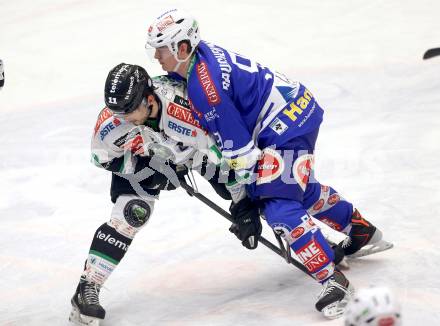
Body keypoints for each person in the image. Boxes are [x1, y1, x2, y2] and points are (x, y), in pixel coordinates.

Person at [145, 8, 392, 318]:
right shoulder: (197, 59)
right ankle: (360, 231)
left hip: (286, 127)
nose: (156, 56)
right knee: (296, 190)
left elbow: (242, 153)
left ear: (182, 48)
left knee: (279, 208)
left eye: (161, 48)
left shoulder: (204, 89)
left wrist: (248, 202)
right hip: (293, 113)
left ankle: (333, 280)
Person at [69, 63, 228, 326]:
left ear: (149, 98)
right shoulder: (111, 124)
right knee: (133, 213)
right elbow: (104, 159)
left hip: (197, 149)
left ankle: (299, 233)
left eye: (130, 110)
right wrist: (147, 172)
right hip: (146, 160)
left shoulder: (182, 104)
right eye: (118, 112)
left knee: (246, 189)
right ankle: (88, 287)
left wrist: (242, 199)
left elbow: (220, 145)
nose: (124, 118)